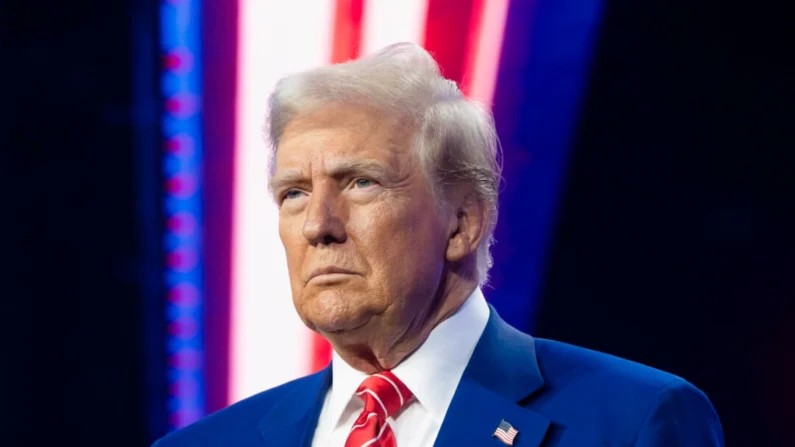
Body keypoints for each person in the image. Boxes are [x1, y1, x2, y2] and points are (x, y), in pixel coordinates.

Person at [155, 43, 723, 447]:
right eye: (294, 193)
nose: (317, 226)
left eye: (361, 182)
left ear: (462, 224)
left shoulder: (633, 421)